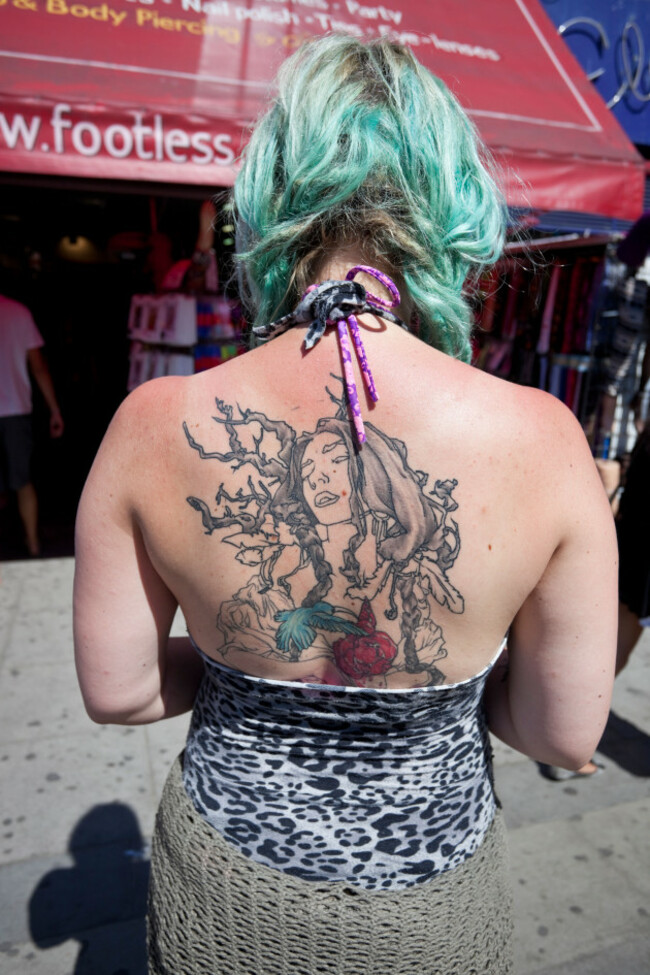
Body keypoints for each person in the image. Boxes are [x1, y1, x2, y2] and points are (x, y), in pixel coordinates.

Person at [73, 36, 618, 975]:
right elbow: (564, 734)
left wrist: (263, 668)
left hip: (227, 890)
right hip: (434, 905)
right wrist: (423, 697)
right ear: (450, 202)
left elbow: (118, 691)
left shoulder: (154, 422)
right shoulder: (544, 438)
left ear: (271, 197)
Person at [0, 292, 64, 555]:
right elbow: (38, 367)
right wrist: (55, 410)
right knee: (23, 481)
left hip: (16, 410)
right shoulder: (18, 312)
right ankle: (33, 543)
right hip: (15, 409)